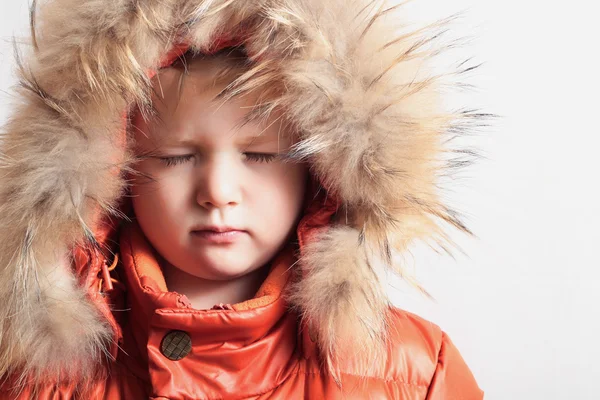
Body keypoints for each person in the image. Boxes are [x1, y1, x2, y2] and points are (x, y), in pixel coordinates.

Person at [0, 0, 486, 398]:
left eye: (259, 155)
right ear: (113, 172)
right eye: (174, 157)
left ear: (320, 176)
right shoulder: (32, 376)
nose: (218, 192)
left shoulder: (415, 373)